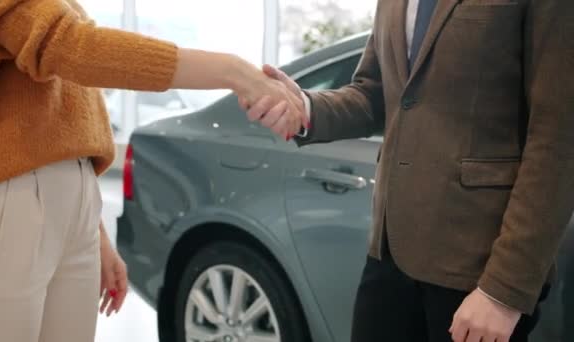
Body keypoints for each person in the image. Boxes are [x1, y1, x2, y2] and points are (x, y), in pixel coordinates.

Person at [0, 0, 306, 341]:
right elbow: (72, 48)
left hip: (68, 196)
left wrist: (93, 230)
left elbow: (60, 110)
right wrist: (232, 71)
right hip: (7, 197)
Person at [243, 0, 574, 341]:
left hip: (477, 265)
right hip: (390, 252)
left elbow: (558, 137)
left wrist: (504, 291)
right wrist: (306, 108)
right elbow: (375, 93)